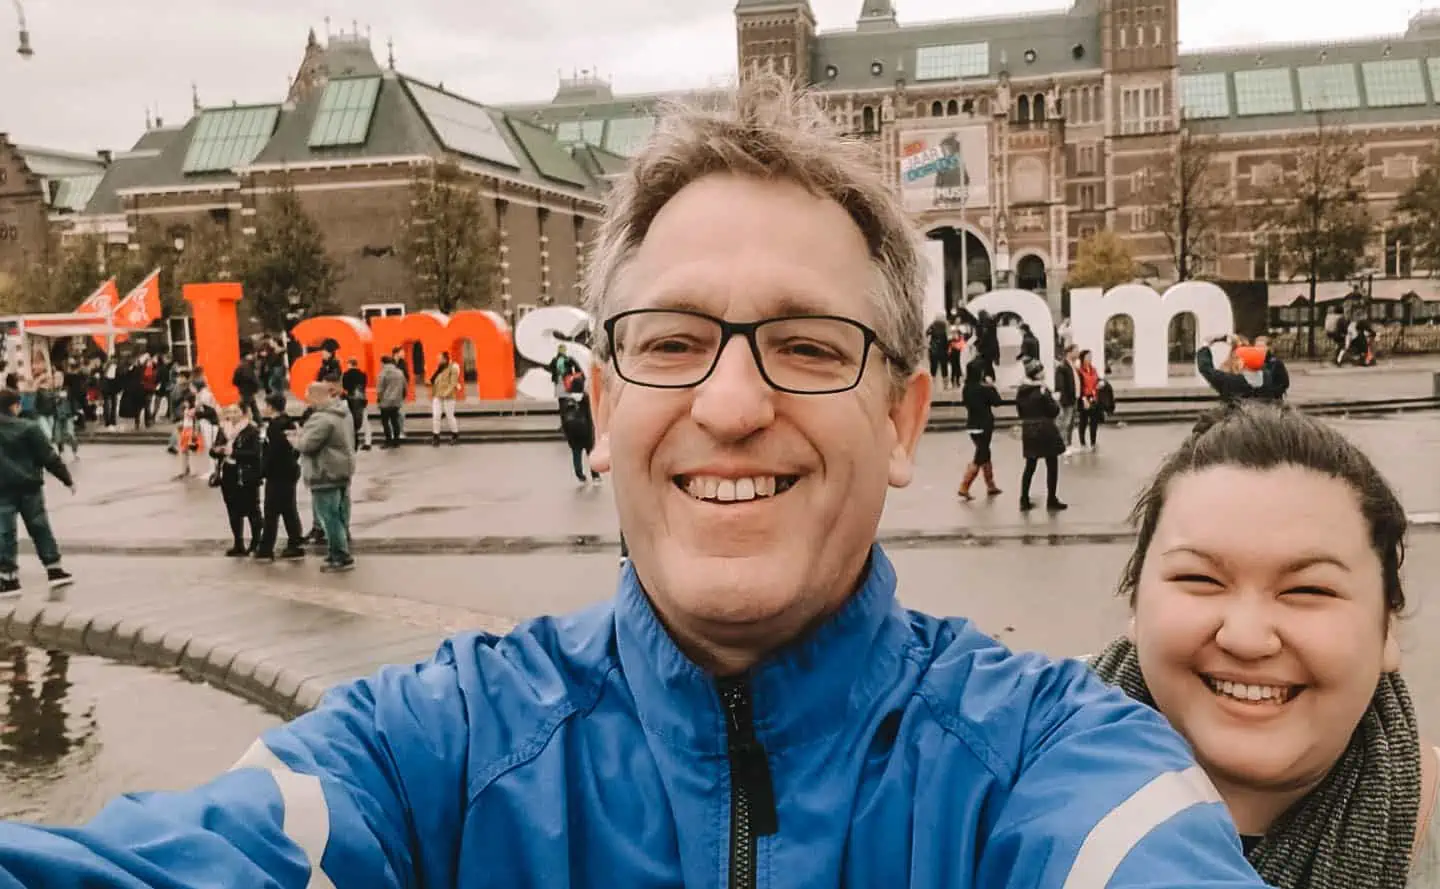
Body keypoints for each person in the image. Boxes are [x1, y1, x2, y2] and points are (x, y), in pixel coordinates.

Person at [0, 77, 1268, 889]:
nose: (728, 403)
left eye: (808, 346)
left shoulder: (1054, 766)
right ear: (601, 408)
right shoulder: (424, 758)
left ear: (902, 416)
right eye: (670, 343)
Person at [1089, 400, 1440, 888]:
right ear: (1135, 603)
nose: (1247, 637)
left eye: (1308, 590)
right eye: (1199, 578)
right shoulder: (1015, 780)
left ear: (1388, 629)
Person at [0, 389, 74, 596]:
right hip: (30, 487)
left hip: (2, 490)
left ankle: (8, 578)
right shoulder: (29, 428)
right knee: (40, 526)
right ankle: (54, 569)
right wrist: (66, 479)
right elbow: (48, 457)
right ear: (14, 406)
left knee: (4, 532)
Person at [296, 381, 356, 572]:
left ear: (315, 397)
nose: (308, 403)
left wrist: (296, 438)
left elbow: (307, 445)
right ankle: (336, 551)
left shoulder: (321, 419)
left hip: (324, 471)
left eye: (308, 398)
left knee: (329, 517)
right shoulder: (343, 414)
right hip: (341, 469)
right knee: (339, 513)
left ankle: (340, 555)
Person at [254, 393, 307, 562]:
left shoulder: (274, 427)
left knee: (271, 511)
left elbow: (272, 453)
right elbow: (296, 446)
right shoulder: (289, 423)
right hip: (289, 470)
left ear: (271, 407)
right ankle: (295, 542)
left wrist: (262, 471)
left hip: (277, 474)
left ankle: (266, 548)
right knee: (288, 509)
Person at [210, 405, 264, 558]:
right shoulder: (224, 429)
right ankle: (238, 543)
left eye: (236, 411)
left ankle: (256, 542)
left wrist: (233, 452)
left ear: (244, 413)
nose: (232, 415)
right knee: (233, 509)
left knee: (252, 509)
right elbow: (214, 449)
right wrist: (216, 451)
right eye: (229, 411)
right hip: (228, 472)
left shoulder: (251, 431)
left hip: (246, 473)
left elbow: (255, 454)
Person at [1013, 359, 1068, 512]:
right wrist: (1054, 401)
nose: (1043, 372)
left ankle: (1023, 499)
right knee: (1052, 465)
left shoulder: (1021, 391)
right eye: (1041, 370)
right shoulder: (1043, 390)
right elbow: (1053, 411)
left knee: (1030, 466)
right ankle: (1051, 498)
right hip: (1045, 429)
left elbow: (1020, 412)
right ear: (1037, 374)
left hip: (1029, 429)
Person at [957, 354, 1003, 500]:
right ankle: (964, 486)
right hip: (984, 424)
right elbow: (997, 402)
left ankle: (991, 485)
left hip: (972, 424)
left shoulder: (967, 388)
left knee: (985, 453)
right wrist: (991, 386)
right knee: (980, 455)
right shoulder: (984, 389)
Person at [557, 369, 600, 484]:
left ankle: (580, 475)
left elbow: (563, 416)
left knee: (576, 454)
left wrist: (566, 432)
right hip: (586, 431)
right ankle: (595, 475)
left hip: (572, 432)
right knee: (590, 453)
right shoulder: (586, 398)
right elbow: (590, 415)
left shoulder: (565, 399)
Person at [429, 351, 461, 445]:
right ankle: (436, 436)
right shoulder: (439, 368)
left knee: (450, 416)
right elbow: (436, 380)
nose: (438, 361)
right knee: (436, 415)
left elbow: (453, 383)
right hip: (437, 395)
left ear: (445, 359)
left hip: (449, 396)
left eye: (439, 359)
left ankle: (455, 435)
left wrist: (446, 393)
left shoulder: (453, 368)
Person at [340, 357, 371, 451]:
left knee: (350, 421)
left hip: (351, 400)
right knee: (365, 420)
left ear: (349, 364)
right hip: (362, 399)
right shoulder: (363, 374)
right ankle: (368, 442)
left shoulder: (346, 374)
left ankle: (352, 442)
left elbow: (344, 387)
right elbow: (365, 385)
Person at [375, 354, 406, 448]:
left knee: (385, 421)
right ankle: (396, 442)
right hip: (397, 401)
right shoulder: (400, 372)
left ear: (383, 363)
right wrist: (401, 397)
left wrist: (379, 399)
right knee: (394, 421)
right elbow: (405, 386)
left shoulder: (383, 373)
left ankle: (388, 441)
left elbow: (380, 389)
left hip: (385, 401)